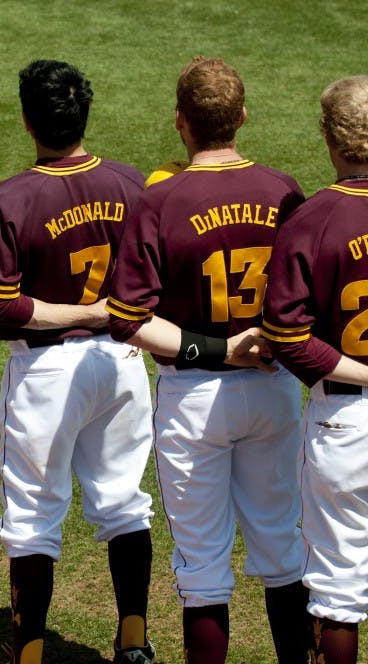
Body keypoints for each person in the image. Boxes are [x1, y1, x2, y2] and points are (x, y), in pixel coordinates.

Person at [106, 56, 312, 663]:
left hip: (194, 398)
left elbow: (127, 320)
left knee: (202, 566)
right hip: (274, 392)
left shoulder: (161, 199)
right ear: (242, 117)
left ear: (180, 122)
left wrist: (219, 348)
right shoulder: (283, 191)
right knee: (281, 549)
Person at [0, 59, 155, 664]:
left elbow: (2, 316)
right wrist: (109, 317)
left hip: (47, 375)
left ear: (27, 122)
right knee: (124, 502)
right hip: (125, 366)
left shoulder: (8, 198)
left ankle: (27, 654)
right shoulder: (133, 184)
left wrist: (87, 314)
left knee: (31, 516)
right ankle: (132, 641)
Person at [261, 75, 368, 664]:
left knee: (337, 587)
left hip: (344, 423)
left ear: (330, 138)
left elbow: (286, 334)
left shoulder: (312, 218)